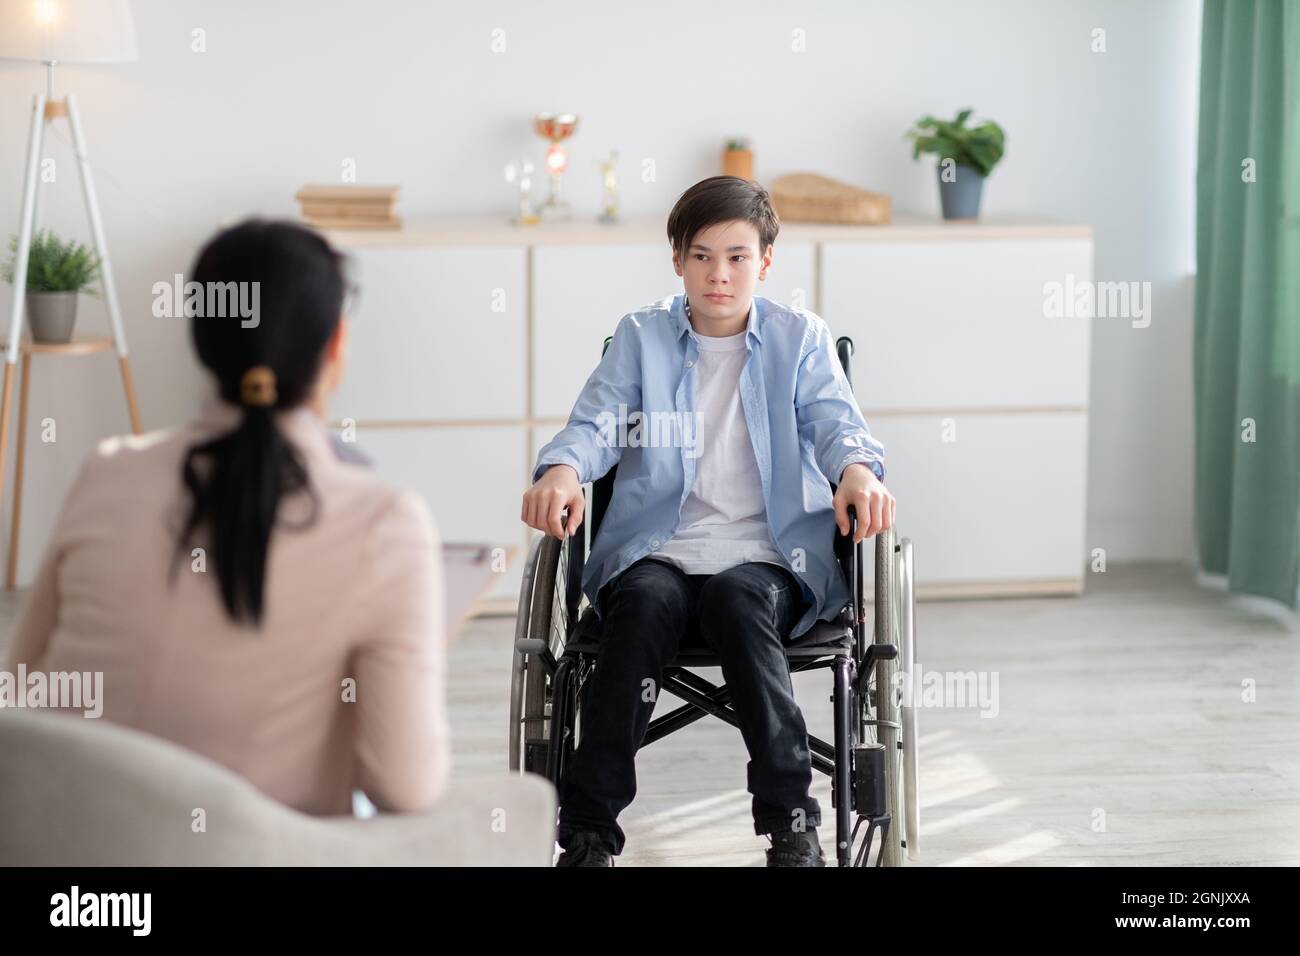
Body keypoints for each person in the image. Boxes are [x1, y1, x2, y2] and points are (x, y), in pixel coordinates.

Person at [5, 219, 450, 816]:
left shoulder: (104, 475)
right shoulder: (385, 524)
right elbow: (407, 787)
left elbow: (22, 689)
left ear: (201, 340)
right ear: (335, 345)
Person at [522, 176, 895, 866]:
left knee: (738, 596)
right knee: (639, 606)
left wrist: (859, 472)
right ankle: (588, 834)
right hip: (657, 552)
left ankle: (790, 822)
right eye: (701, 256)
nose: (718, 275)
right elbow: (597, 424)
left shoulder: (798, 339)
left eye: (736, 257)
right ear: (676, 260)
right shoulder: (642, 337)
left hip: (767, 560)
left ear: (766, 262)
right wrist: (564, 470)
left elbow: (836, 427)